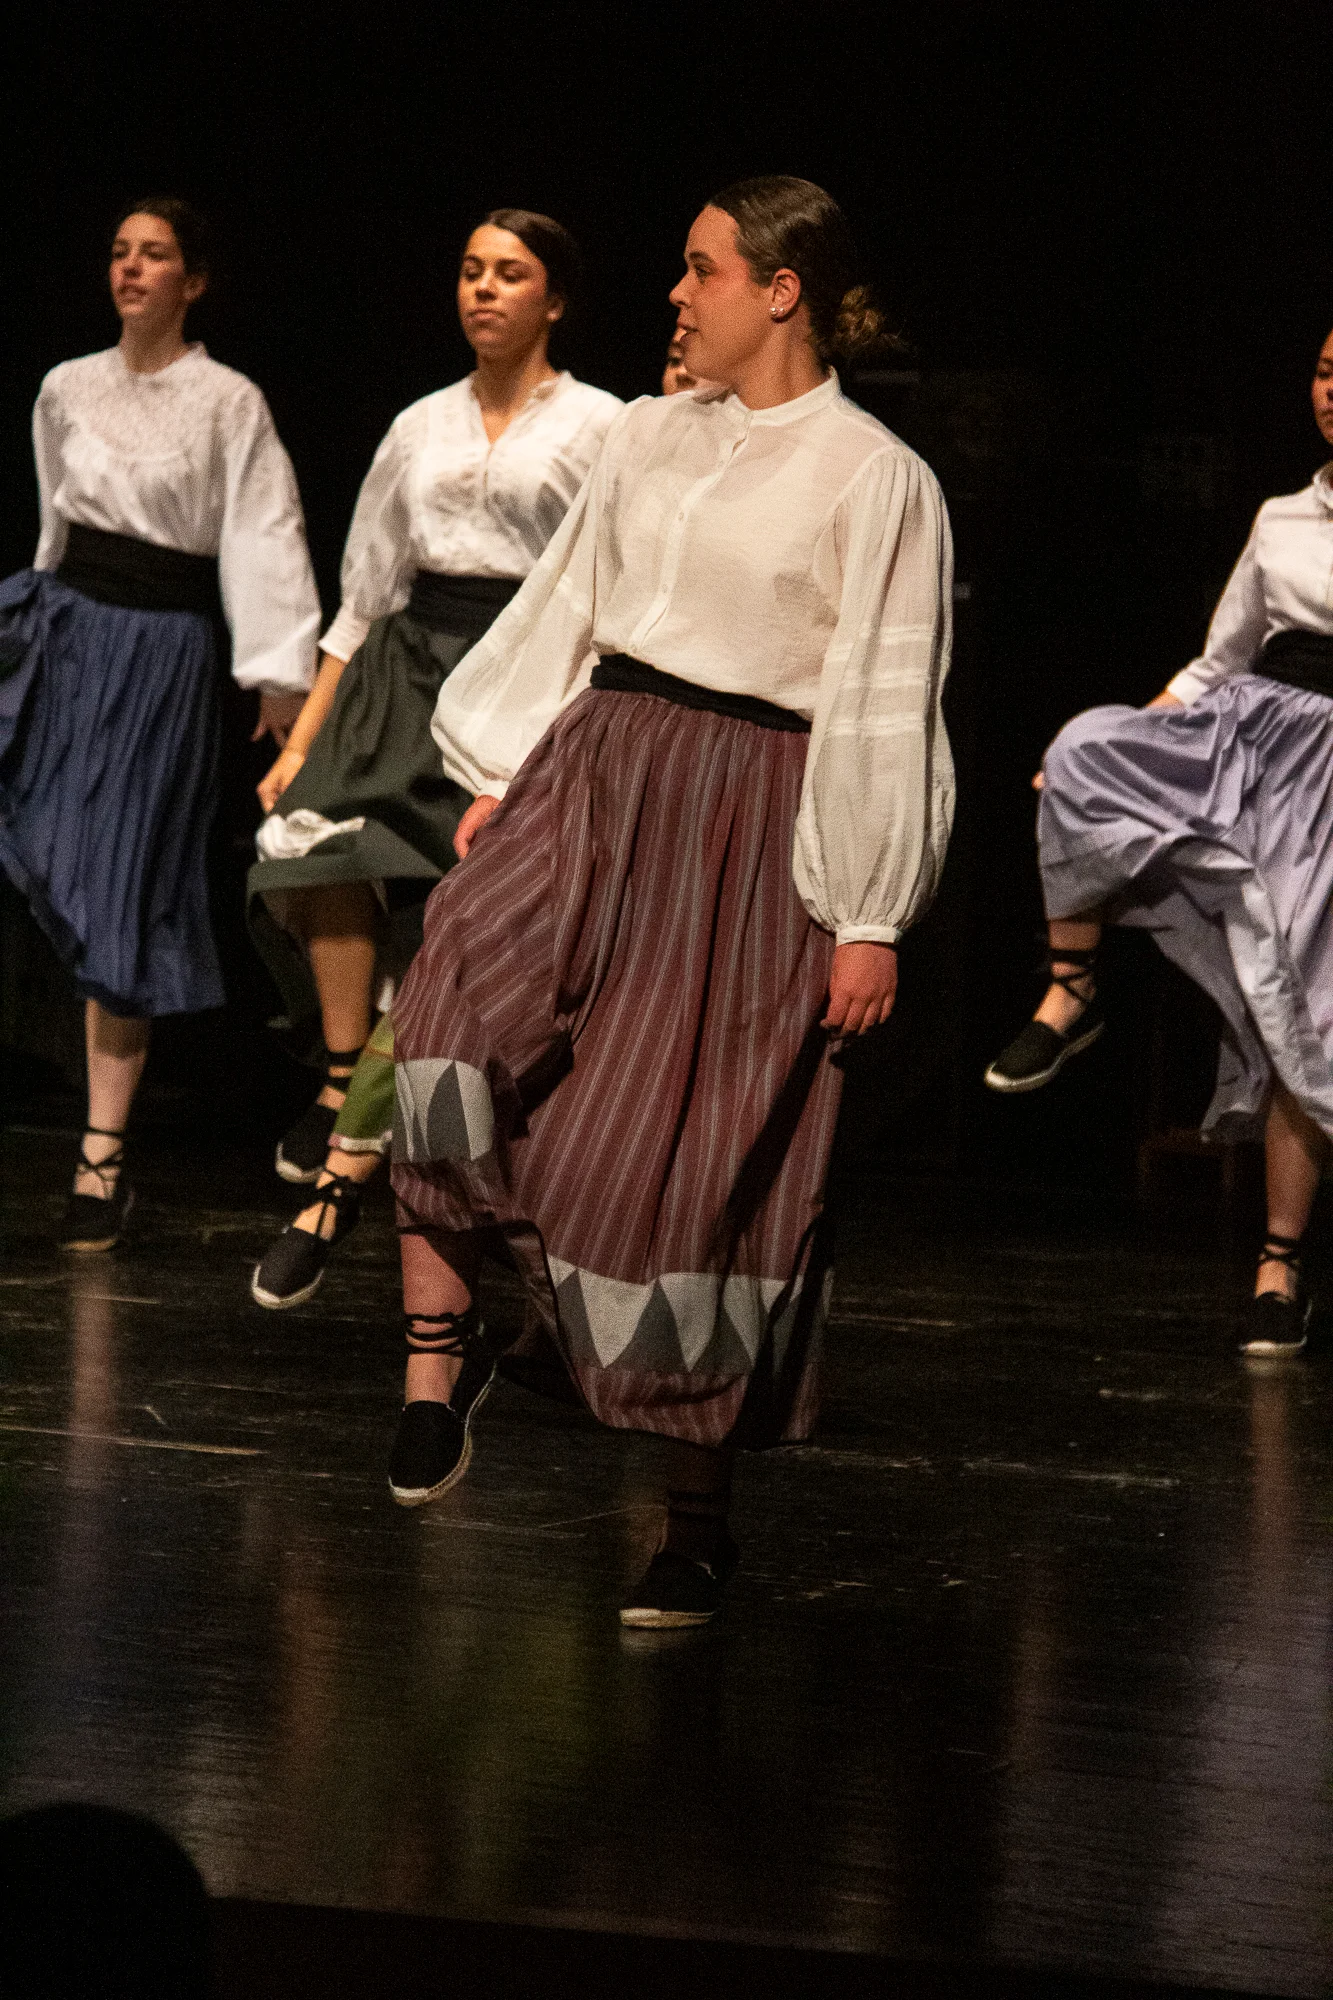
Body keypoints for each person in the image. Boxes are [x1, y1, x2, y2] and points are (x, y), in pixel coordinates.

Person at [386, 176, 953, 1628]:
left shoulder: (873, 474)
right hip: (599, 775)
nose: (677, 296)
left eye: (702, 271)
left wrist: (869, 913)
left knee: (695, 1156)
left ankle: (696, 1528)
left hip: (750, 821)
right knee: (448, 1009)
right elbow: (568, 605)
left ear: (781, 290)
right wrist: (509, 765)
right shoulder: (646, 433)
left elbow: (883, 698)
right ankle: (441, 1363)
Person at [247, 211, 620, 1310]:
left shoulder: (599, 423)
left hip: (525, 673)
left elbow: (605, 582)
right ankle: (339, 1073)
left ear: (555, 299)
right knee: (309, 845)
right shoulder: (419, 423)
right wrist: (301, 741)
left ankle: (379, 1166)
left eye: (510, 274)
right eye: (469, 271)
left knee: (460, 925)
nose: (483, 290)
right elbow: (364, 594)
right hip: (409, 672)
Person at [985, 326, 1333, 1359]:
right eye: (1324, 370)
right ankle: (1070, 989)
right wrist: (1128, 751)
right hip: (1256, 748)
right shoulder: (1282, 517)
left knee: (1303, 1009)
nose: (1332, 389)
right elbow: (1218, 661)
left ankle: (1280, 1261)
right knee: (1080, 749)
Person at [0, 198, 319, 1252]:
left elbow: (264, 530)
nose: (131, 270)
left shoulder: (228, 401)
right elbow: (53, 523)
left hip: (159, 656)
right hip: (67, 633)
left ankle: (101, 1159)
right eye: (119, 253)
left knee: (121, 888)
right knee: (46, 859)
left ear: (196, 280)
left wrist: (278, 676)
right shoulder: (66, 386)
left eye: (155, 255)